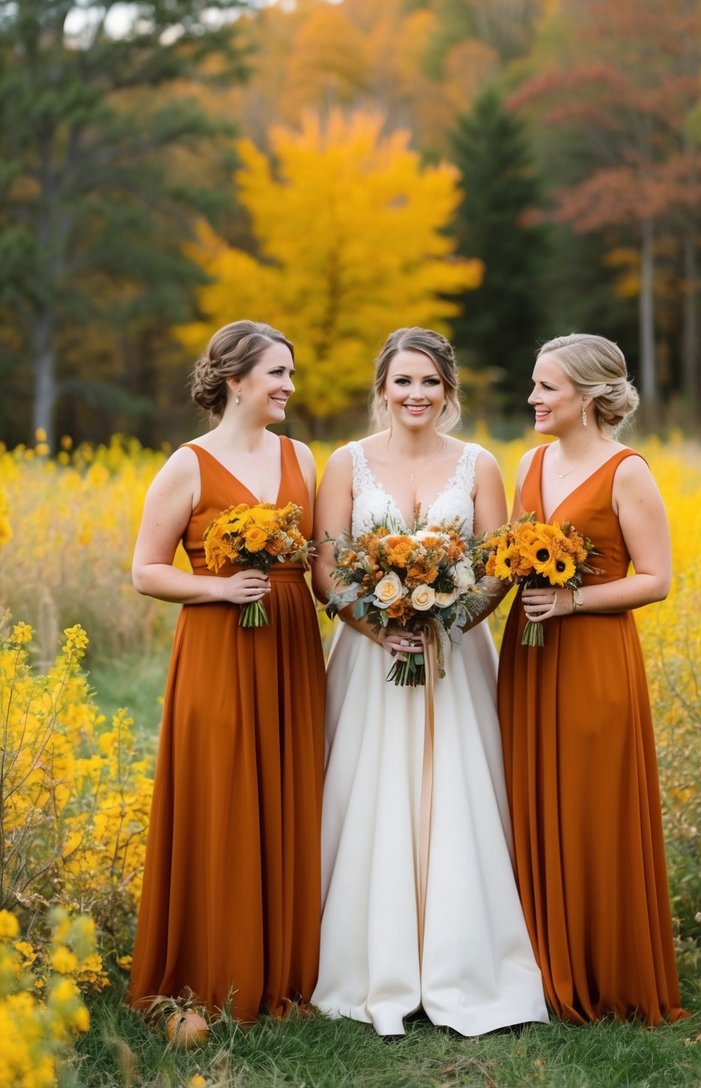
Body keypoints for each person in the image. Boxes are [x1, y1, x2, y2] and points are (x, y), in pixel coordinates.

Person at [310, 327, 547, 1037]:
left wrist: (452, 617)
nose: (416, 395)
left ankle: (461, 958)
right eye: (403, 381)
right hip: (369, 656)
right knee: (370, 790)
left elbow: (500, 563)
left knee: (457, 792)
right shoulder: (344, 463)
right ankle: (367, 959)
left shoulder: (478, 464)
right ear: (381, 389)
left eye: (430, 383)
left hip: (455, 656)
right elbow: (324, 568)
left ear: (448, 391)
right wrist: (377, 625)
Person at [127, 320, 325, 1023]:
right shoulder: (188, 463)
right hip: (217, 647)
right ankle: (211, 972)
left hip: (292, 646)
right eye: (277, 374)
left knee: (290, 795)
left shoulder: (301, 456)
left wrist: (394, 605)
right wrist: (217, 588)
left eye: (290, 374)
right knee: (223, 796)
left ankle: (286, 978)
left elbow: (320, 564)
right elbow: (146, 570)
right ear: (236, 380)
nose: (288, 387)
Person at [497, 332, 686, 1025]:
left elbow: (657, 579)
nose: (533, 398)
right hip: (529, 655)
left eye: (547, 386)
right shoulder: (531, 465)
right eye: (535, 384)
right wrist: (435, 610)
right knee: (529, 799)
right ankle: (540, 969)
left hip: (592, 659)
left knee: (590, 805)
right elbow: (506, 563)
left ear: (590, 395)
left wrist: (573, 599)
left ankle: (605, 970)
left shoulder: (626, 471)